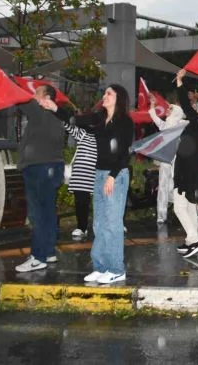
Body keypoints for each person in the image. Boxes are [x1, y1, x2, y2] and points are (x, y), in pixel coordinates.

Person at [44, 84, 135, 284]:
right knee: (99, 223)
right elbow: (75, 119)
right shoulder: (100, 119)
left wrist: (112, 176)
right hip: (99, 174)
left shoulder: (125, 123)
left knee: (112, 224)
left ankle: (116, 269)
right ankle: (100, 267)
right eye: (105, 93)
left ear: (119, 98)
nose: (105, 96)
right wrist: (54, 109)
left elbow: (123, 154)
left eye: (109, 93)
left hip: (116, 176)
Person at [15, 85, 66, 273]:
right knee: (47, 211)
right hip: (51, 167)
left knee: (38, 214)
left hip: (39, 168)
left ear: (46, 97)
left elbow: (20, 100)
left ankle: (38, 256)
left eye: (37, 92)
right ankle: (48, 250)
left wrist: (8, 83)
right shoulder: (57, 115)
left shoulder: (41, 110)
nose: (33, 95)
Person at [169, 70, 198, 257]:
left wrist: (179, 82)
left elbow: (185, 104)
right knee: (188, 205)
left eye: (195, 108)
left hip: (186, 169)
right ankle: (190, 241)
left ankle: (195, 239)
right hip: (193, 168)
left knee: (179, 206)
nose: (192, 109)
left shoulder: (196, 123)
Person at [148, 94, 186, 223]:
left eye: (170, 109)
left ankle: (191, 210)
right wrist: (152, 105)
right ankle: (161, 215)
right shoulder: (166, 125)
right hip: (165, 160)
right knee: (163, 187)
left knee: (173, 187)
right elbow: (156, 119)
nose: (167, 111)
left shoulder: (182, 125)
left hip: (176, 161)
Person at [64, 121, 97, 240]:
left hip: (91, 175)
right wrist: (56, 110)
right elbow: (68, 126)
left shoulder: (101, 136)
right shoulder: (82, 133)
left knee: (87, 202)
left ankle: (86, 226)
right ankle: (81, 227)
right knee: (79, 202)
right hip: (79, 175)